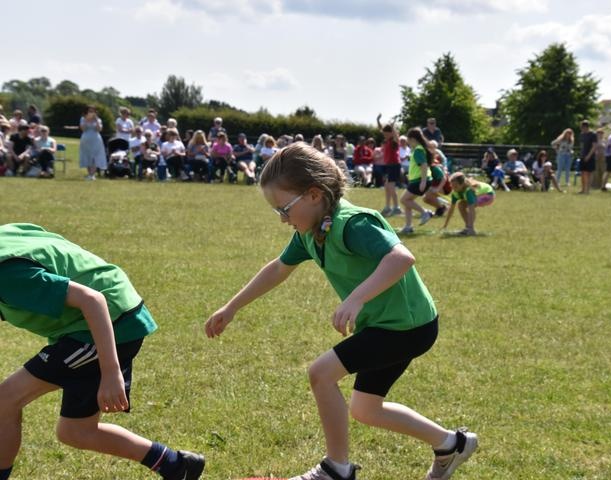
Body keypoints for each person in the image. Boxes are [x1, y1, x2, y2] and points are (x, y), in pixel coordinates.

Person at [205, 143, 478, 480]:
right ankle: (451, 444)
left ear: (314, 194)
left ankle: (336, 470)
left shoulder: (352, 224)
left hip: (406, 327)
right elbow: (278, 268)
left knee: (321, 373)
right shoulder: (311, 231)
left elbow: (401, 258)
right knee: (366, 409)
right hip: (386, 325)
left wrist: (356, 298)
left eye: (284, 209)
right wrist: (232, 306)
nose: (283, 219)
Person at [0, 223, 205, 480]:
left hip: (107, 321)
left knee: (5, 400)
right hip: (110, 308)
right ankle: (176, 466)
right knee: (76, 431)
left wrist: (110, 371)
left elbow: (92, 299)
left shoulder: (8, 277)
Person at [399, 128, 434, 234]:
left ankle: (425, 213)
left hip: (419, 180)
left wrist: (423, 181)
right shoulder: (418, 149)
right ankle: (408, 227)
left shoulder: (418, 150)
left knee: (404, 200)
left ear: (413, 139)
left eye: (408, 140)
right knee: (407, 202)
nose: (408, 143)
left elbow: (423, 165)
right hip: (417, 180)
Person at [377, 114, 402, 217]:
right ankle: (388, 207)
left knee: (391, 186)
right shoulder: (387, 140)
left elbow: (395, 135)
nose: (384, 135)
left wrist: (393, 125)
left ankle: (396, 208)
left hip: (394, 165)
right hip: (389, 166)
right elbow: (381, 129)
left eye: (386, 134)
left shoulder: (394, 141)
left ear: (390, 133)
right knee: (387, 186)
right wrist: (378, 120)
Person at [79, 106, 106, 181]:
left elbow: (99, 129)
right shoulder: (83, 119)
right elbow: (83, 129)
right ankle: (89, 174)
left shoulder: (98, 120)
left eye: (93, 111)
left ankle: (92, 174)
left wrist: (96, 120)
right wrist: (87, 120)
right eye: (90, 111)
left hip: (96, 139)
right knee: (87, 156)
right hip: (86, 139)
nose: (91, 113)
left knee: (95, 156)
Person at [578, 121, 597, 194]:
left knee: (589, 173)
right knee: (582, 173)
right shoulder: (581, 134)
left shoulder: (593, 134)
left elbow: (594, 146)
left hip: (590, 157)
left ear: (586, 127)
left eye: (582, 127)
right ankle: (583, 189)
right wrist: (581, 155)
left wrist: (588, 156)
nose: (581, 128)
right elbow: (582, 145)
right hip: (582, 156)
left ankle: (587, 190)